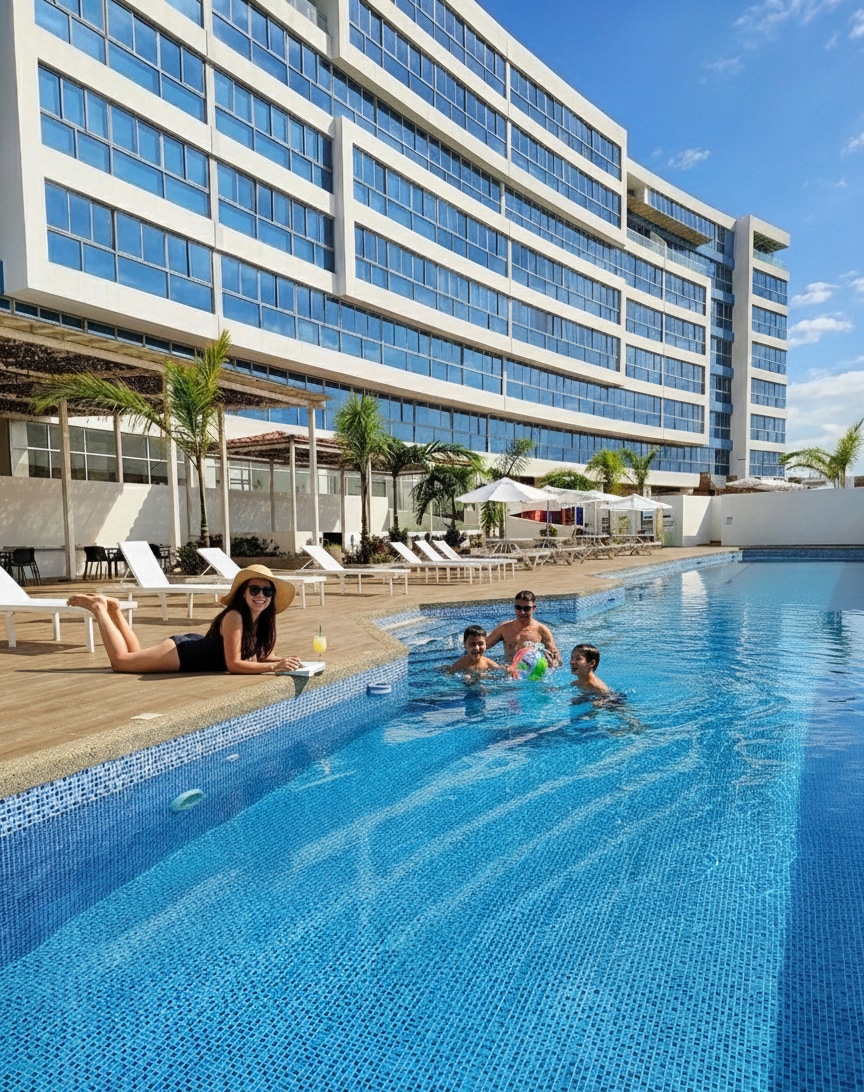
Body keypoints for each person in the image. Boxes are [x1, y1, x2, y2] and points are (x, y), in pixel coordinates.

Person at [67, 564, 304, 675]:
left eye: (267, 591)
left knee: (134, 655)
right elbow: (233, 665)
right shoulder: (234, 617)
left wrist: (287, 661)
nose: (261, 595)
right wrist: (273, 667)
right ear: (243, 593)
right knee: (121, 663)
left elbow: (262, 654)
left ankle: (115, 610)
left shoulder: (263, 620)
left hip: (195, 647)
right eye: (254, 589)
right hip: (184, 655)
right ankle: (100, 609)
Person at [485, 591, 562, 667]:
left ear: (534, 608)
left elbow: (555, 654)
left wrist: (553, 663)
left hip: (532, 671)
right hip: (509, 671)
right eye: (518, 608)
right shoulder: (504, 628)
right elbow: (485, 645)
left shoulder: (541, 630)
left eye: (526, 608)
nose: (522, 612)